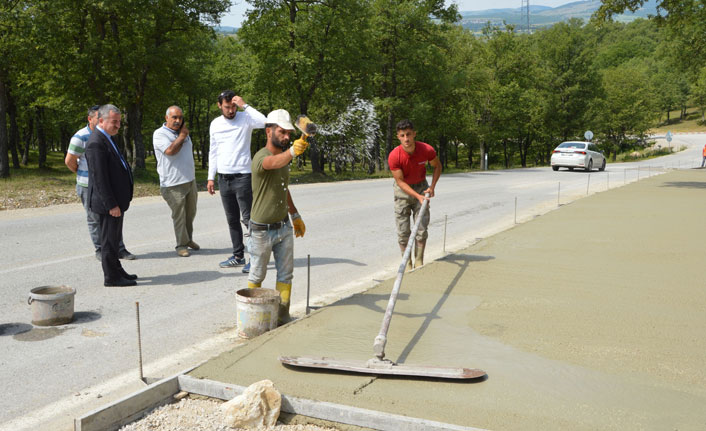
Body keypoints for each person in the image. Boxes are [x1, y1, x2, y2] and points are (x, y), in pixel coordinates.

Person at [247, 109, 308, 325]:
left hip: (283, 227)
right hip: (261, 231)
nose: (286, 136)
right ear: (268, 131)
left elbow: (284, 188)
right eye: (282, 132)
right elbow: (271, 164)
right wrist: (292, 151)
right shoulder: (261, 157)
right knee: (256, 275)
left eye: (289, 133)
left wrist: (295, 215)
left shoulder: (283, 160)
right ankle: (253, 320)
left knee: (285, 275)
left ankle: (282, 318)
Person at [65, 105, 135, 261]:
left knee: (112, 221)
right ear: (91, 119)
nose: (101, 122)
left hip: (105, 186)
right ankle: (100, 249)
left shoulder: (107, 136)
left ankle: (119, 249)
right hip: (87, 186)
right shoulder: (81, 136)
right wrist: (85, 174)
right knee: (95, 219)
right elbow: (69, 161)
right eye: (98, 119)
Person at [207, 90, 267, 272]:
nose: (231, 110)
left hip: (243, 176)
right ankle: (238, 256)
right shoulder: (215, 124)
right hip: (224, 178)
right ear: (219, 106)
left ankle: (255, 259)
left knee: (249, 219)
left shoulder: (245, 118)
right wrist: (211, 176)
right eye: (227, 107)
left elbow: (265, 121)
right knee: (232, 219)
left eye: (233, 106)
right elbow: (213, 150)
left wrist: (244, 105)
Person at [85, 104, 137, 287]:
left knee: (114, 240)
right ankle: (111, 277)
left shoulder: (108, 138)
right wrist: (111, 204)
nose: (117, 126)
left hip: (116, 201)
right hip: (108, 204)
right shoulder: (96, 143)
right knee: (108, 242)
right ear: (101, 120)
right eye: (114, 122)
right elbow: (99, 178)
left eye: (119, 122)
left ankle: (117, 270)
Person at [387, 119, 442, 270]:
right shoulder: (394, 156)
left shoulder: (426, 150)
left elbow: (437, 166)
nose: (406, 139)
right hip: (402, 191)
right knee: (403, 231)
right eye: (403, 135)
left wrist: (432, 186)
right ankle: (407, 263)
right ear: (398, 137)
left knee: (421, 228)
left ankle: (418, 260)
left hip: (421, 188)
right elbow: (400, 181)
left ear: (414, 134)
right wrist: (417, 197)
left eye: (409, 134)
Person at [153, 106, 199, 257]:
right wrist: (182, 136)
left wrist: (183, 135)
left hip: (189, 180)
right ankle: (181, 245)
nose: (178, 121)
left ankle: (188, 239)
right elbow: (170, 151)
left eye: (180, 117)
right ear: (166, 118)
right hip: (172, 183)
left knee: (190, 213)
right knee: (179, 215)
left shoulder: (182, 133)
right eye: (174, 117)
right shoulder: (160, 134)